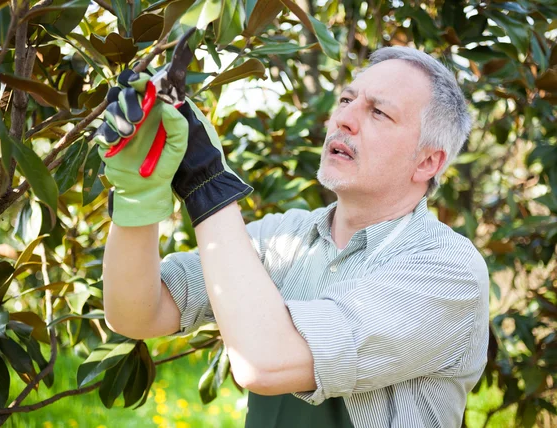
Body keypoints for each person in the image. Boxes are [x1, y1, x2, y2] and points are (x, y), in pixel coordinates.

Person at [96, 46, 489, 428]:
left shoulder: (447, 270)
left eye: (378, 112)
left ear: (427, 161)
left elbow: (265, 362)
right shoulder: (283, 236)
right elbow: (137, 313)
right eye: (346, 100)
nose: (344, 119)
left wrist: (208, 182)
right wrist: (137, 197)